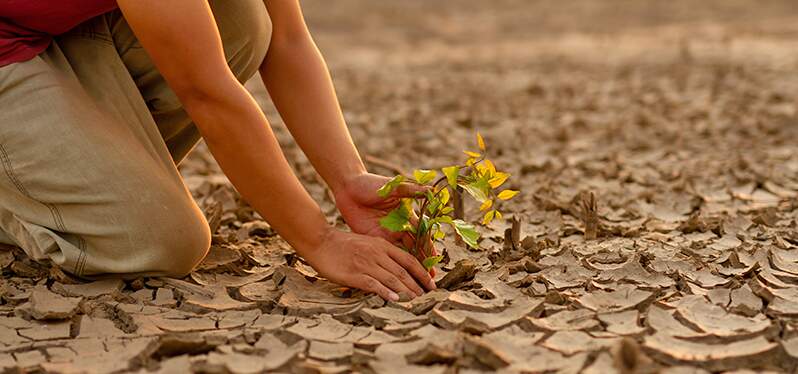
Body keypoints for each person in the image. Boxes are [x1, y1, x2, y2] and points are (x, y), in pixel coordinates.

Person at [0, 0, 436, 301]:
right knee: (162, 239)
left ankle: (65, 172)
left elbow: (287, 40)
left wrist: (347, 179)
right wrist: (320, 241)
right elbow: (207, 92)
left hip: (48, 30)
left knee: (243, 18)